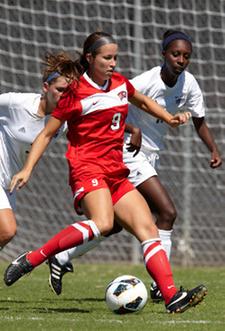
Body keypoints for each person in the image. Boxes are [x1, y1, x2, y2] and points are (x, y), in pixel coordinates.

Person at [4, 31, 207, 314]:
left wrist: (169, 118)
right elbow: (47, 135)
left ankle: (172, 296)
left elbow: (144, 102)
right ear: (90, 58)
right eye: (107, 58)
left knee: (148, 229)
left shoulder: (121, 84)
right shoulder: (74, 95)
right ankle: (35, 258)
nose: (113, 63)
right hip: (87, 168)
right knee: (102, 223)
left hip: (115, 171)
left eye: (115, 58)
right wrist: (27, 168)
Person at [0, 51, 79, 252]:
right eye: (60, 90)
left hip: (8, 181)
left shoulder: (63, 121)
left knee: (3, 236)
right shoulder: (16, 104)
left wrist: (131, 129)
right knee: (7, 230)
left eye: (70, 92)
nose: (65, 96)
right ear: (46, 87)